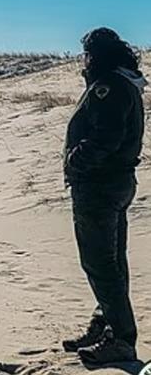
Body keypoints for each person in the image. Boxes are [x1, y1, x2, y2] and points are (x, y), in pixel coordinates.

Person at [63, 27, 147, 365]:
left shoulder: (108, 86)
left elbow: (107, 136)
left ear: (96, 54)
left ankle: (122, 339)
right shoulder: (122, 83)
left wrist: (77, 160)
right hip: (116, 182)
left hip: (100, 186)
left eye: (87, 54)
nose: (84, 59)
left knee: (100, 264)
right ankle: (106, 325)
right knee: (112, 260)